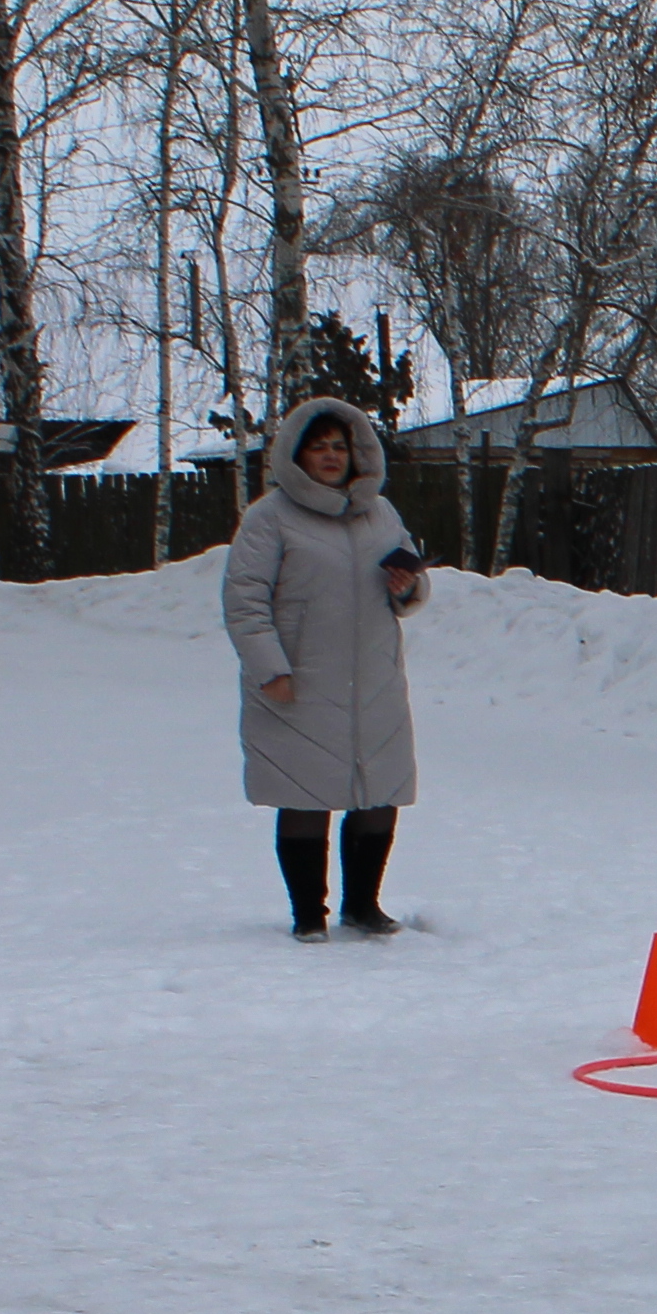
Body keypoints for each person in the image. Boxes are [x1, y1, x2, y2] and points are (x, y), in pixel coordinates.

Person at [222, 399, 426, 940]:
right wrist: (270, 668)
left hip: (374, 680)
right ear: (297, 454)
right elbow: (245, 600)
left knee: (379, 790)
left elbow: (410, 574)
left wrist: (410, 587)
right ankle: (308, 915)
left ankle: (363, 905)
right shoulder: (270, 517)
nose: (332, 456)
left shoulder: (380, 513)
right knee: (305, 793)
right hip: (299, 681)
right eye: (320, 447)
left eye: (340, 446)